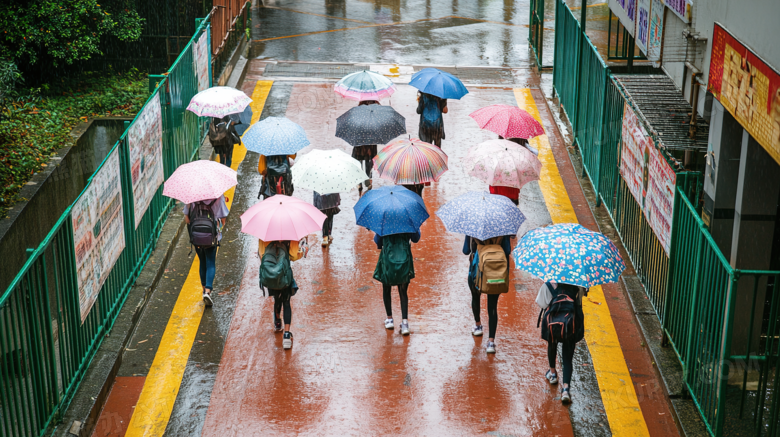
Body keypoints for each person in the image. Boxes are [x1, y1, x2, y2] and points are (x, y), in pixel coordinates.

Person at [536, 281, 587, 404]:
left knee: (552, 345)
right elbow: (579, 304)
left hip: (553, 325)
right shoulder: (578, 284)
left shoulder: (548, 284)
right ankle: (565, 389)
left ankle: (552, 373)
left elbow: (541, 303)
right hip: (571, 325)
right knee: (567, 357)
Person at [463, 234, 512, 354]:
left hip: (476, 271)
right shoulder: (502, 228)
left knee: (475, 297)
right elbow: (507, 250)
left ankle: (478, 325)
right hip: (495, 272)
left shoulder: (473, 226)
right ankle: (491, 342)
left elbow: (466, 250)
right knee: (493, 306)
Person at [259, 238, 307, 349]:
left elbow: (262, 254)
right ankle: (286, 335)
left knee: (277, 298)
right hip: (284, 275)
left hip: (270, 274)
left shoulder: (264, 236)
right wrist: (304, 250)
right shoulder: (290, 235)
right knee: (286, 302)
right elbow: (294, 256)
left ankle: (277, 322)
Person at [183, 195, 229, 306]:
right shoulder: (218, 196)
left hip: (196, 237)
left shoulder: (190, 195)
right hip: (212, 237)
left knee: (202, 262)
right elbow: (223, 219)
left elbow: (187, 219)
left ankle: (204, 290)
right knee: (210, 262)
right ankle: (208, 291)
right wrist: (220, 229)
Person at [373, 231, 421, 335]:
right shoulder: (408, 220)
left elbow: (378, 242)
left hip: (388, 260)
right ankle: (405, 324)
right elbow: (416, 238)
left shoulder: (384, 221)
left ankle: (389, 319)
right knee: (403, 292)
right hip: (404, 259)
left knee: (386, 288)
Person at [354, 100, 380, 195]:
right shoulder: (375, 113)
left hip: (359, 143)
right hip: (371, 143)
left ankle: (359, 182)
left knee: (359, 161)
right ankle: (368, 177)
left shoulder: (358, 113)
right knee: (369, 160)